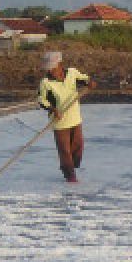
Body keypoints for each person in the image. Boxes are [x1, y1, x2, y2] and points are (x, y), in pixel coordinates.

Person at [36, 51, 95, 183]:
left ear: (60, 64)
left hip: (75, 118)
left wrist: (90, 83)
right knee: (64, 151)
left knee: (78, 147)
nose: (50, 71)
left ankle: (70, 167)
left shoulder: (72, 73)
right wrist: (53, 109)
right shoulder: (45, 82)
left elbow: (85, 79)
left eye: (53, 67)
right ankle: (70, 176)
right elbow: (41, 100)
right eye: (48, 68)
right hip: (59, 121)